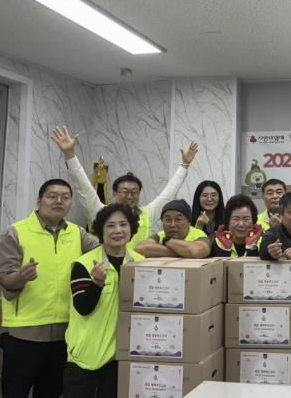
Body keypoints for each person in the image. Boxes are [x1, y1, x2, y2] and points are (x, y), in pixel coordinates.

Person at [0, 178, 100, 398]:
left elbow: (104, 250)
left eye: (65, 197)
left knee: (51, 393)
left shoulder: (77, 233)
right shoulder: (15, 233)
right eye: (52, 196)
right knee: (15, 393)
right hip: (25, 334)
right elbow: (5, 280)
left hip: (64, 333)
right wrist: (21, 276)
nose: (59, 201)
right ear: (39, 200)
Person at [51, 126, 198, 249]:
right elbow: (84, 187)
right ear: (114, 193)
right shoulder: (101, 212)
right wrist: (70, 155)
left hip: (140, 270)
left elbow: (168, 193)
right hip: (107, 269)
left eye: (134, 192)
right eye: (125, 192)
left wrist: (184, 165)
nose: (130, 196)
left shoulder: (146, 214)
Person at [63, 203, 143, 398]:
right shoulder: (84, 264)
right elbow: (82, 307)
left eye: (123, 224)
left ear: (131, 228)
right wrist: (96, 284)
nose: (118, 231)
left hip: (120, 356)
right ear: (101, 231)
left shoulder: (140, 263)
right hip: (86, 357)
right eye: (110, 226)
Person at [135, 200, 210, 258]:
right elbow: (140, 248)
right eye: (168, 220)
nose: (172, 225)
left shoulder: (198, 234)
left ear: (188, 222)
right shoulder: (160, 235)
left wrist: (168, 241)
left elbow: (197, 251)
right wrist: (183, 252)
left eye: (178, 219)